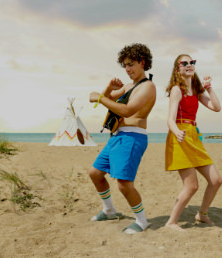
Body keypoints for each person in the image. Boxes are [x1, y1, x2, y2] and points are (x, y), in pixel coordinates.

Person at [88, 43, 156, 234]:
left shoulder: (148, 87)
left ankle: (142, 221)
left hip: (133, 137)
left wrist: (100, 98)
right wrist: (108, 88)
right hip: (117, 135)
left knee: (124, 184)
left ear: (142, 62)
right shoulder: (128, 86)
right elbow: (108, 99)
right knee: (95, 173)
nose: (127, 69)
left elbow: (127, 110)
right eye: (125, 65)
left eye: (131, 64)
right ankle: (109, 210)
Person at [164, 54, 222, 231]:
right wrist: (177, 133)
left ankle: (202, 214)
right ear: (178, 69)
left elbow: (216, 107)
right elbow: (170, 119)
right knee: (192, 186)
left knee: (216, 180)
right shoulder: (176, 90)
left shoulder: (196, 92)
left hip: (194, 136)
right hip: (180, 136)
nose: (189, 65)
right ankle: (172, 222)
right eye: (185, 63)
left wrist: (209, 88)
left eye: (192, 62)